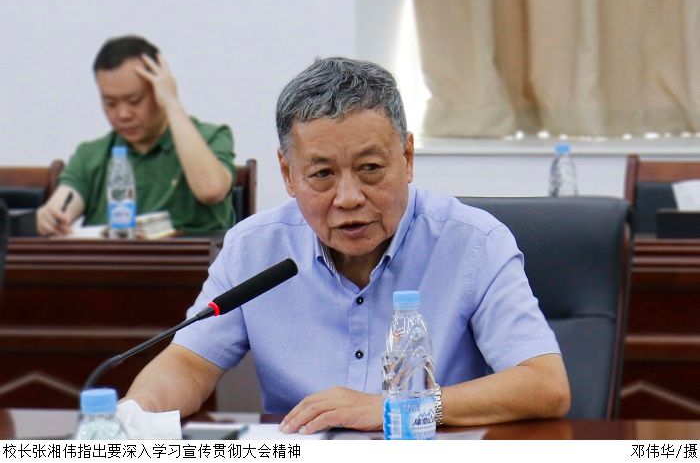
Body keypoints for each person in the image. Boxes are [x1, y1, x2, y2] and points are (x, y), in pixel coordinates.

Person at [125, 57, 570, 433]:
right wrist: (134, 416)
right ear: (288, 174)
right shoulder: (252, 248)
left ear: (407, 157)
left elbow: (545, 385)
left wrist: (397, 409)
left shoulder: (475, 243)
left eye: (370, 168)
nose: (349, 197)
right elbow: (188, 364)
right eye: (322, 174)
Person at [36, 35, 235, 235]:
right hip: (113, 255)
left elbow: (211, 190)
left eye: (135, 101)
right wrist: (50, 217)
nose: (123, 114)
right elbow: (63, 204)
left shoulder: (211, 137)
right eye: (110, 103)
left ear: (158, 90)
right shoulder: (90, 156)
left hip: (191, 254)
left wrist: (171, 102)